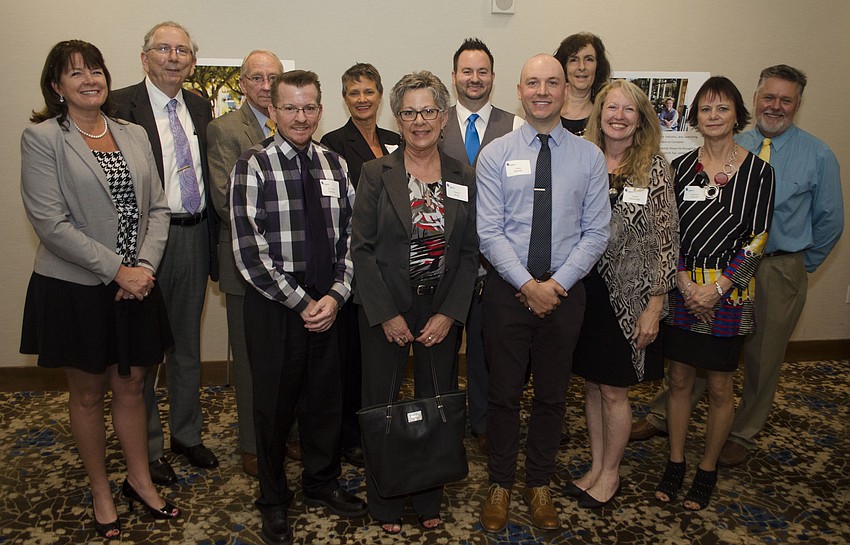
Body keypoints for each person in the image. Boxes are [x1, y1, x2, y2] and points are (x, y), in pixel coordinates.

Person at [631, 65, 844, 467]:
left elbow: (830, 221)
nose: (775, 106)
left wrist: (799, 266)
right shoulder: (709, 153)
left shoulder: (814, 155)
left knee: (760, 358)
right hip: (693, 277)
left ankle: (742, 433)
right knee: (689, 366)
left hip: (773, 269)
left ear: (797, 105)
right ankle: (665, 417)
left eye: (785, 100)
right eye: (769, 97)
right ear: (756, 98)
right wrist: (686, 279)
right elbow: (671, 226)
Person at [20, 40, 180, 540]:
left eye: (96, 70)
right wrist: (118, 270)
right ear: (56, 86)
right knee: (88, 393)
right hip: (78, 287)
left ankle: (138, 480)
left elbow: (158, 208)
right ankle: (101, 489)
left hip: (138, 283)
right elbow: (51, 223)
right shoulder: (43, 138)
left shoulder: (132, 133)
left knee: (132, 386)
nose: (90, 79)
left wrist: (144, 267)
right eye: (75, 73)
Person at [231, 69, 367, 545]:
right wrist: (303, 302)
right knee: (273, 408)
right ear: (272, 110)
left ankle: (321, 483)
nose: (301, 116)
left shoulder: (335, 165)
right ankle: (273, 500)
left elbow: (355, 238)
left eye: (309, 107)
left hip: (329, 304)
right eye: (290, 107)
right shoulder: (253, 165)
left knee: (325, 403)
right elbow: (250, 251)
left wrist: (335, 295)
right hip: (276, 307)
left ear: (320, 109)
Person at [476, 54, 610, 532]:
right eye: (533, 82)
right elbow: (488, 232)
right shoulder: (494, 154)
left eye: (552, 82)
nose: (543, 91)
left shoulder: (589, 156)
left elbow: (596, 233)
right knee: (503, 394)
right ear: (519, 89)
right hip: (507, 291)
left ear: (563, 91)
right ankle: (500, 485)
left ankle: (539, 484)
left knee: (553, 397)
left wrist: (554, 285)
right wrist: (528, 285)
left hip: (565, 293)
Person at [351, 70, 478, 535]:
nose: (419, 121)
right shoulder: (375, 173)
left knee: (435, 404)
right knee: (381, 406)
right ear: (398, 119)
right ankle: (384, 502)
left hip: (441, 312)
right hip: (387, 310)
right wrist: (385, 313)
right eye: (409, 112)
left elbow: (468, 251)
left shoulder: (464, 174)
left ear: (443, 117)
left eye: (428, 111)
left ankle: (428, 494)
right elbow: (360, 248)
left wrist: (450, 313)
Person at [653, 76, 774, 511]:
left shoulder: (761, 171)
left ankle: (707, 468)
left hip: (731, 296)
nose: (713, 116)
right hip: (684, 292)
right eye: (705, 109)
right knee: (679, 379)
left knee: (721, 386)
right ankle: (675, 461)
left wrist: (719, 287)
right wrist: (685, 283)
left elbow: (758, 239)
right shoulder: (679, 167)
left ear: (737, 114)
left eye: (722, 109)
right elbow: (670, 234)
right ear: (695, 117)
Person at [111, 21, 219, 485]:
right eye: (163, 49)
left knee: (187, 345)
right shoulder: (119, 106)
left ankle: (187, 435)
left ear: (192, 61)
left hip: (194, 233)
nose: (173, 57)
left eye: (182, 51)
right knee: (147, 349)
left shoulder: (199, 105)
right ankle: (150, 448)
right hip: (144, 242)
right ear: (144, 57)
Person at [568, 80, 678, 510]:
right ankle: (596, 466)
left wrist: (656, 304)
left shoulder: (654, 168)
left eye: (627, 110)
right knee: (592, 387)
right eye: (610, 107)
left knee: (615, 390)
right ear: (599, 114)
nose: (618, 115)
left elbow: (668, 243)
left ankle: (611, 474)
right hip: (585, 292)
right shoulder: (585, 161)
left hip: (631, 299)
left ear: (641, 118)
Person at [438, 38, 522, 456]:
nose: (474, 79)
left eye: (482, 71)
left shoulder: (518, 126)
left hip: (495, 264)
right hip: (445, 263)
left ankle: (485, 422)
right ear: (454, 77)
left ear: (492, 76)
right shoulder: (433, 123)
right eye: (466, 71)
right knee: (442, 350)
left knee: (489, 350)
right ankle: (444, 423)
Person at [207, 49, 284, 478]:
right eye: (257, 77)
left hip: (292, 265)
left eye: (274, 77)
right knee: (253, 361)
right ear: (242, 83)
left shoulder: (295, 123)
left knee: (288, 356)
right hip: (244, 264)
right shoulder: (224, 130)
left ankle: (286, 435)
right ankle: (254, 445)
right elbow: (224, 200)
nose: (266, 85)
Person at [319, 62, 400, 469]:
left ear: (380, 95)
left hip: (397, 264)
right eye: (354, 92)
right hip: (356, 261)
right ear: (345, 98)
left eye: (369, 91)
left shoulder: (396, 140)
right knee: (352, 357)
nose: (362, 99)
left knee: (387, 358)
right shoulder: (332, 143)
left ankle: (387, 425)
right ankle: (351, 437)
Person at [553, 32, 611, 136]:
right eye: (574, 60)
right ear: (563, 67)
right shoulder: (548, 112)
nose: (582, 67)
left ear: (598, 67)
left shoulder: (605, 116)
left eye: (589, 59)